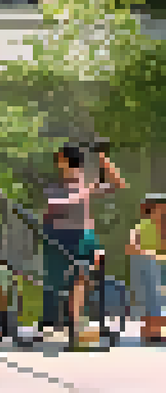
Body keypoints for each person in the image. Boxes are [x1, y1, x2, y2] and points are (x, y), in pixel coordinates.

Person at [41, 144, 127, 339]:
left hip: (84, 236)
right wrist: (83, 193)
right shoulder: (56, 185)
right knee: (62, 281)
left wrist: (103, 157)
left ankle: (75, 322)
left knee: (82, 276)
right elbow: (54, 205)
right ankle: (63, 321)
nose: (57, 162)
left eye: (60, 158)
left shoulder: (85, 182)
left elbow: (118, 184)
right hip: (59, 236)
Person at [126, 193, 166, 344]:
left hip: (153, 266)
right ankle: (151, 332)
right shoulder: (143, 226)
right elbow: (131, 246)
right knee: (151, 297)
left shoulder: (160, 227)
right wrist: (146, 253)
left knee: (152, 297)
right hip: (144, 265)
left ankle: (150, 332)